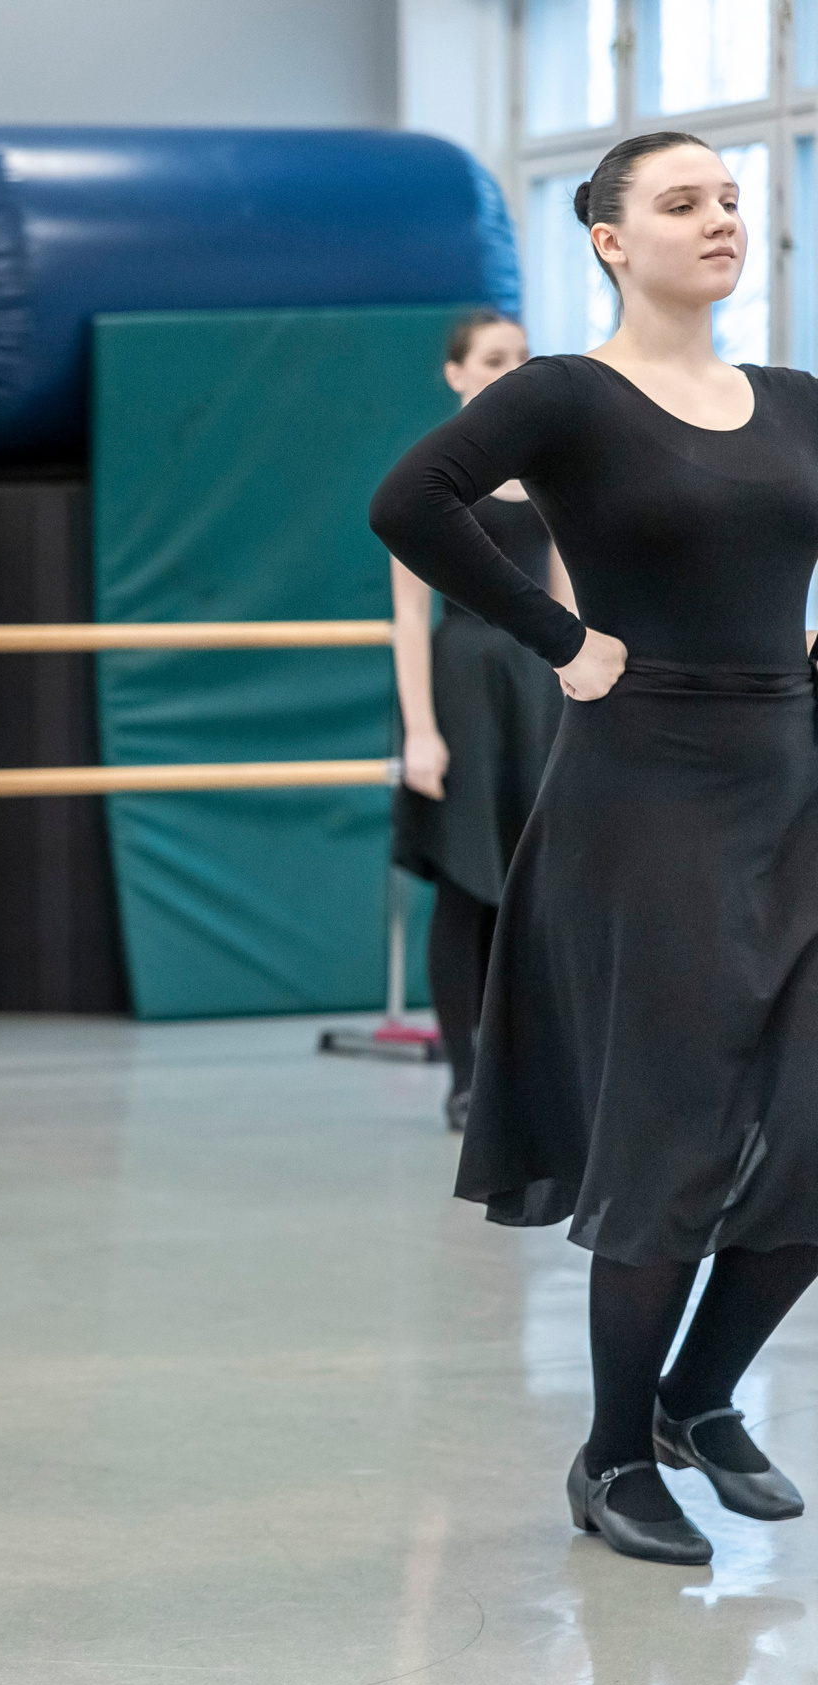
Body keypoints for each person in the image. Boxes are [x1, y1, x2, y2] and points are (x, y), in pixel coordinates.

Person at [372, 132, 818, 1568]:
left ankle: (697, 1394)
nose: (720, 221)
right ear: (612, 240)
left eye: (734, 200)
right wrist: (560, 638)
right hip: (648, 788)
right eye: (683, 202)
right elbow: (408, 503)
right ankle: (615, 1448)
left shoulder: (803, 401)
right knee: (675, 1128)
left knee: (816, 1123)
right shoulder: (566, 396)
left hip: (793, 774)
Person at [388, 310, 575, 1132]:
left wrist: (577, 683)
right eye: (494, 359)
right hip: (463, 684)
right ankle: (463, 1074)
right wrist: (420, 730)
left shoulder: (548, 470)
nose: (510, 369)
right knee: (466, 885)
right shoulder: (434, 474)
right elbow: (407, 618)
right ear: (457, 374)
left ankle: (517, 1073)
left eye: (521, 358)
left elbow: (567, 595)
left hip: (534, 683)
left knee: (524, 890)